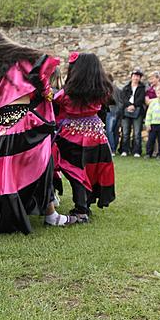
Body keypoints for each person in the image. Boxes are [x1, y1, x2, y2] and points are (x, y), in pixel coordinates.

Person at [0, 30, 77, 236]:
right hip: (21, 123)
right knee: (43, 163)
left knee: (3, 172)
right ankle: (50, 215)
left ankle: (9, 217)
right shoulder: (18, 64)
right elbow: (40, 80)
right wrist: (45, 91)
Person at [52, 52, 115, 222]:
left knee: (76, 172)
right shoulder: (102, 90)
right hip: (97, 135)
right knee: (91, 170)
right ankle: (85, 205)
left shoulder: (66, 94)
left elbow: (54, 108)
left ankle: (81, 209)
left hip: (73, 136)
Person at [119, 67, 146, 157]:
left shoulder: (142, 88)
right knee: (125, 132)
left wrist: (134, 105)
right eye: (134, 76)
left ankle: (136, 150)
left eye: (138, 76)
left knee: (137, 132)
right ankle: (124, 150)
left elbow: (141, 98)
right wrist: (129, 105)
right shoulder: (126, 87)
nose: (136, 78)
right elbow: (123, 98)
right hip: (126, 111)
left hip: (137, 111)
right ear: (131, 77)